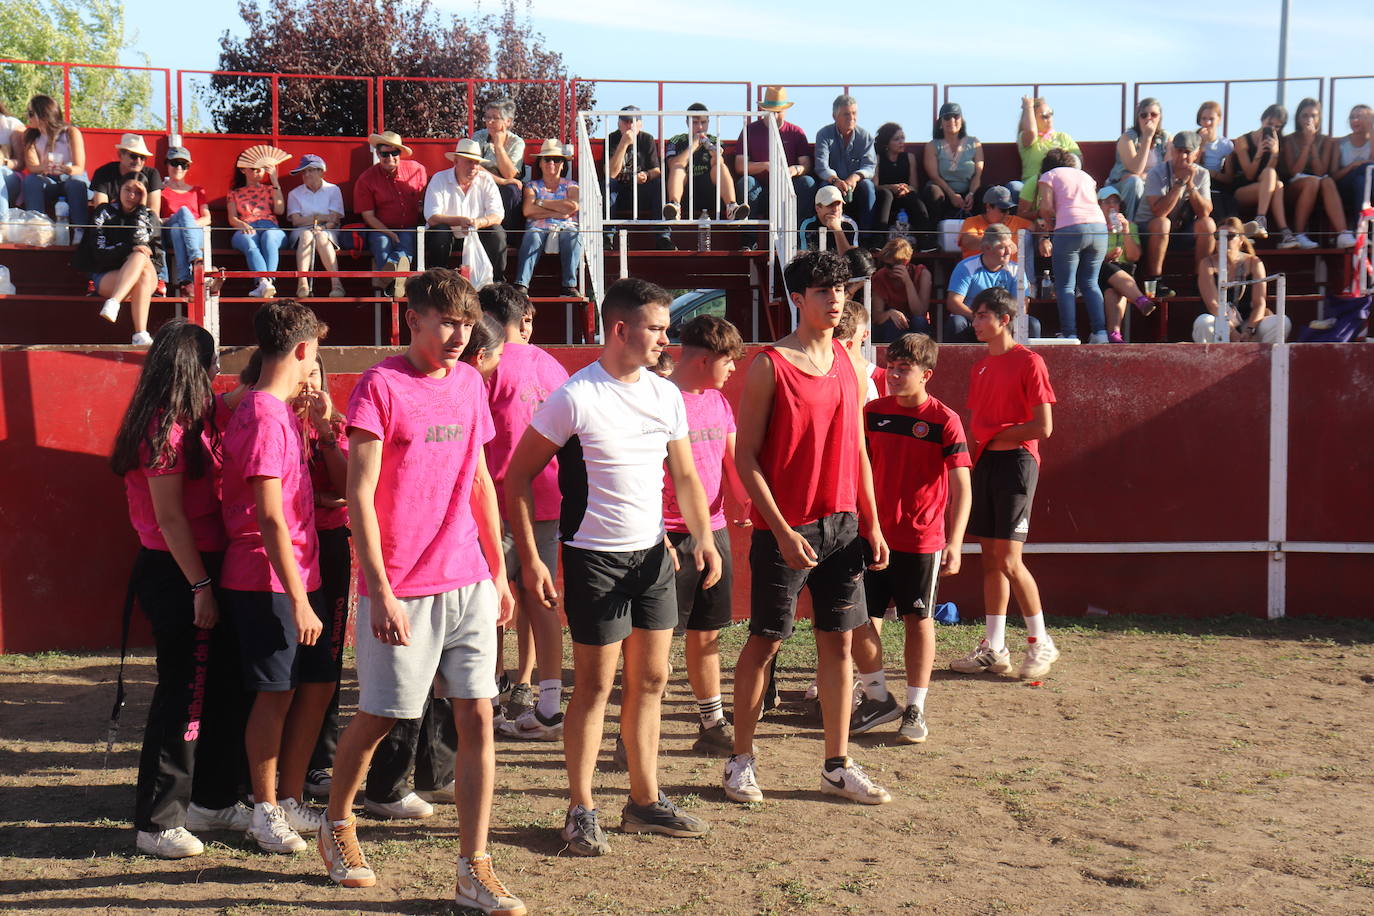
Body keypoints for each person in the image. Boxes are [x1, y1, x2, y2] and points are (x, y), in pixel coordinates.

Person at [319, 269, 524, 916]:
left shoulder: (470, 382)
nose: (459, 334)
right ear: (411, 320)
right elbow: (357, 493)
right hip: (401, 584)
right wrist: (377, 590)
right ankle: (337, 824)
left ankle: (473, 868)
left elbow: (482, 482)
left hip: (467, 577)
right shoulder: (380, 386)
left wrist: (497, 568)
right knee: (382, 715)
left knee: (478, 715)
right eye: (446, 320)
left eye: (467, 323)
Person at [504, 277, 721, 856]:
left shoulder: (665, 394)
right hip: (594, 559)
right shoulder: (575, 396)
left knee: (651, 681)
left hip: (653, 558)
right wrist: (532, 557)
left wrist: (703, 537)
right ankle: (581, 809)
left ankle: (644, 803)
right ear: (621, 329)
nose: (666, 339)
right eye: (656, 328)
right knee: (595, 687)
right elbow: (517, 478)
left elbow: (686, 476)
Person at [722, 249, 891, 808]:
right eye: (824, 290)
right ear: (798, 298)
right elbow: (745, 457)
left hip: (843, 527)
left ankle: (836, 765)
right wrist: (781, 528)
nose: (837, 299)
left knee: (839, 644)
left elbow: (860, 451)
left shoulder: (850, 359)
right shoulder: (770, 364)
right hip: (785, 530)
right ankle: (740, 760)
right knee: (766, 642)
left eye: (841, 289)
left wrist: (871, 521)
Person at [111, 319, 250, 858]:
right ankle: (158, 818)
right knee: (185, 693)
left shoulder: (200, 414)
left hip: (211, 564)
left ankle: (212, 800)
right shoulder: (162, 428)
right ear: (197, 368)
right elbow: (170, 520)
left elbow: (243, 393)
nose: (220, 373)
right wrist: (201, 586)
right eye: (214, 364)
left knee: (222, 688)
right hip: (180, 571)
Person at [220, 299, 335, 854]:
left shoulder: (272, 408)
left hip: (285, 575)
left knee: (288, 693)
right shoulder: (266, 413)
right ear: (303, 349)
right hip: (266, 578)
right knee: (273, 697)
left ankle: (281, 802)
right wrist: (299, 599)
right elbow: (269, 516)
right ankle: (265, 809)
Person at [848, 332, 971, 743]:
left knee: (918, 620)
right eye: (891, 366)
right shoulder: (872, 413)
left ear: (927, 375)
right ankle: (878, 697)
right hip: (871, 535)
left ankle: (915, 708)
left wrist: (954, 542)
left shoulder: (944, 420)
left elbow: (961, 486)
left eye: (905, 369)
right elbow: (855, 470)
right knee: (862, 618)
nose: (894, 375)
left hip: (921, 539)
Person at [949, 287, 1059, 680]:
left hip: (1016, 463)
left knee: (1011, 560)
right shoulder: (979, 367)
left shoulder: (1030, 362)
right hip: (987, 462)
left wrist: (996, 436)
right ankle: (995, 648)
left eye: (982, 316)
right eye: (975, 316)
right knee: (991, 560)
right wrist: (984, 442)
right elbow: (977, 426)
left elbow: (1042, 427)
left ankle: (1040, 641)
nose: (975, 322)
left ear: (1004, 319)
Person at [479, 284, 570, 741]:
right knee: (541, 598)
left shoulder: (486, 363)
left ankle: (492, 700)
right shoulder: (551, 366)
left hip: (496, 500)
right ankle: (547, 702)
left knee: (491, 603)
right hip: (549, 498)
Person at [663, 315, 751, 755]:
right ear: (704, 358)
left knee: (707, 632)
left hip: (713, 533)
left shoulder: (718, 403)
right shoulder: (660, 399)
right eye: (729, 360)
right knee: (656, 641)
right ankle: (632, 734)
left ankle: (711, 722)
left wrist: (749, 502)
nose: (733, 368)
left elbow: (733, 463)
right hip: (667, 538)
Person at [298, 354, 352, 805]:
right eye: (303, 373)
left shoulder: (336, 424)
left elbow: (350, 488)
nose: (308, 384)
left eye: (316, 374)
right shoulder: (268, 417)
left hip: (330, 545)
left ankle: (320, 758)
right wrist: (317, 496)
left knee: (327, 657)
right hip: (287, 552)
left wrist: (327, 435)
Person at [75, 174, 163, 346]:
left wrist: (142, 208)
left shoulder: (149, 216)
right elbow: (99, 252)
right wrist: (127, 248)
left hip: (148, 276)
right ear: (119, 190)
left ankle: (114, 302)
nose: (131, 196)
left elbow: (141, 241)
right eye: (127, 190)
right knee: (139, 264)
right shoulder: (104, 212)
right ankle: (140, 334)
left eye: (138, 193)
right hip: (109, 275)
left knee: (140, 256)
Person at [1037, 147, 1108, 342]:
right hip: (1099, 228)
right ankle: (1100, 333)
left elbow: (1045, 207)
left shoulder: (1048, 175)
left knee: (1065, 285)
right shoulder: (1085, 176)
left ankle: (1069, 334)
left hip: (1070, 228)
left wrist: (1050, 224)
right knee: (1091, 283)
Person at [735, 86, 816, 250]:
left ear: (785, 110)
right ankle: (749, 242)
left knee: (807, 182)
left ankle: (801, 240)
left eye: (779, 111)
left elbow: (806, 165)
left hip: (788, 190)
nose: (775, 115)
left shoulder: (796, 132)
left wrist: (794, 170)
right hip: (761, 192)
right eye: (771, 111)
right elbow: (739, 166)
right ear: (763, 110)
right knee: (746, 183)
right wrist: (766, 166)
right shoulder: (750, 131)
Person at [1194, 217, 1291, 344]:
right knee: (1203, 322)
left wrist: (1249, 331)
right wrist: (1233, 333)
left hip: (1249, 323)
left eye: (1230, 236)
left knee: (1282, 322)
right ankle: (1210, 362)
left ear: (1241, 239)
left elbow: (1259, 304)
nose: (1222, 240)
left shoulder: (1254, 262)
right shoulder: (1207, 264)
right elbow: (1213, 305)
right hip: (1219, 323)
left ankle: (1259, 360)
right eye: (1218, 236)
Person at [1138, 131, 1216, 287]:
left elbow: (1205, 212)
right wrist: (1180, 183)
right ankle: (1155, 279)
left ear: (1197, 154)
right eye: (1179, 151)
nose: (1182, 156)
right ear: (1172, 151)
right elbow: (1159, 212)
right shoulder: (1156, 173)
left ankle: (1200, 281)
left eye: (1187, 152)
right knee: (1162, 223)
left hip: (1181, 230)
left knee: (1208, 224)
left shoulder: (1202, 174)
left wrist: (1191, 185)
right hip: (1148, 230)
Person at [424, 138, 508, 283]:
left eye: (476, 162)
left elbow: (498, 214)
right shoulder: (439, 178)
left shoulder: (486, 179)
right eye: (469, 161)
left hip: (477, 235)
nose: (474, 166)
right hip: (447, 237)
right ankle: (436, 281)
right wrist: (460, 220)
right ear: (455, 161)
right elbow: (431, 217)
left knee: (496, 231)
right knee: (440, 231)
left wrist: (479, 222)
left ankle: (498, 282)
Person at [354, 131, 426, 297]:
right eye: (385, 153)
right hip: (380, 228)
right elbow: (368, 216)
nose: (390, 157)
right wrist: (390, 233)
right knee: (381, 243)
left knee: (407, 239)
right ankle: (396, 283)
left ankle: (387, 281)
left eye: (394, 153)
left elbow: (425, 200)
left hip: (410, 226)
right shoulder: (366, 179)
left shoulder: (417, 170)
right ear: (378, 154)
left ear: (400, 153)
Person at [1280, 98, 1357, 249]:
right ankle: (1299, 234)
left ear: (1318, 119)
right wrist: (1307, 145)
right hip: (1293, 187)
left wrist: (1313, 145)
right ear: (1298, 118)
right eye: (1305, 115)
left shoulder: (1327, 141)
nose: (1309, 119)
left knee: (1327, 181)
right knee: (1312, 182)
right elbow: (1294, 171)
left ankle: (1343, 233)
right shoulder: (1289, 140)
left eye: (1313, 116)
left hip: (1318, 184)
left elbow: (1321, 171)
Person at [945, 224, 1042, 343]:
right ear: (986, 248)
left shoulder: (1016, 270)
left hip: (1003, 322)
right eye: (1002, 247)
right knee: (956, 323)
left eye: (1010, 246)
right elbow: (953, 302)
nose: (1008, 252)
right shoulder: (966, 267)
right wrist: (980, 318)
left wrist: (999, 321)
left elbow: (1022, 305)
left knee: (1032, 324)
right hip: (973, 320)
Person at [513, 139, 581, 297]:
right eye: (547, 159)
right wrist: (559, 212)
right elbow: (528, 210)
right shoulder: (531, 185)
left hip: (566, 227)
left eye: (557, 160)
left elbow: (572, 206)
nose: (552, 163)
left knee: (572, 235)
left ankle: (569, 286)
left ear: (563, 164)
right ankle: (521, 285)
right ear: (540, 163)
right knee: (532, 236)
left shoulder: (572, 185)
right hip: (538, 227)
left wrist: (541, 202)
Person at [1097, 187, 1162, 343]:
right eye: (1107, 202)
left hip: (1123, 271)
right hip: (1099, 270)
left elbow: (1134, 256)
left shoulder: (1130, 226)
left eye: (1115, 202)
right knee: (1106, 267)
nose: (1112, 206)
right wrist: (1106, 257)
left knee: (1113, 291)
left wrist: (1125, 231)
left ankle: (1114, 334)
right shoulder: (1093, 226)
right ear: (1099, 205)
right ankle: (1140, 299)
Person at [663, 102, 745, 221]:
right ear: (687, 123)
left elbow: (719, 163)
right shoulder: (676, 140)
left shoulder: (714, 140)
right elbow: (671, 165)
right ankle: (674, 207)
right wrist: (693, 145)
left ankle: (732, 207)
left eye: (703, 122)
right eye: (695, 123)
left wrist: (714, 153)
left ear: (708, 123)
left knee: (720, 166)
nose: (700, 127)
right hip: (684, 191)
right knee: (677, 167)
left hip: (710, 191)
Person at [604, 106, 672, 249]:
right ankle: (607, 236)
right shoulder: (612, 138)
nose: (630, 125)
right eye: (626, 121)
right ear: (619, 123)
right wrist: (623, 143)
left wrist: (646, 175)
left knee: (659, 184)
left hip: (641, 191)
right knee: (607, 184)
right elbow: (610, 173)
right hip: (619, 190)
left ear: (640, 124)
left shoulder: (646, 139)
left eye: (634, 121)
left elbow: (656, 170)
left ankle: (663, 237)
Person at [920, 103, 984, 247]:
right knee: (933, 192)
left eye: (956, 116)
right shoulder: (932, 145)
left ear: (962, 119)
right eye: (947, 117)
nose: (952, 121)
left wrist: (972, 194)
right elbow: (934, 176)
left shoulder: (974, 143)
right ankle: (932, 239)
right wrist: (951, 194)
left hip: (968, 192)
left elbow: (978, 174)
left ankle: (985, 236)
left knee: (987, 193)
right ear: (941, 123)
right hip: (944, 191)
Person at [19, 94, 88, 229]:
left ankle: (81, 230)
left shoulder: (70, 132)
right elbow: (32, 167)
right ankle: (37, 225)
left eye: (31, 113)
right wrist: (44, 167)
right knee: (31, 180)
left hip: (71, 177)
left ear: (44, 115)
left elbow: (79, 167)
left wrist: (65, 169)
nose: (28, 117)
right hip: (48, 179)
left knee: (75, 182)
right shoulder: (31, 136)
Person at [813, 94, 878, 234]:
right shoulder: (824, 134)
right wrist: (835, 180)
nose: (851, 118)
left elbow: (870, 166)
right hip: (831, 182)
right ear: (834, 116)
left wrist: (855, 177)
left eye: (854, 113)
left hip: (855, 185)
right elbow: (821, 165)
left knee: (868, 187)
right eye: (846, 114)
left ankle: (866, 237)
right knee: (825, 190)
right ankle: (823, 236)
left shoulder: (865, 136)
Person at [227, 149, 287, 298]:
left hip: (270, 226)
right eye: (254, 169)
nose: (258, 172)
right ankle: (264, 282)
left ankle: (267, 282)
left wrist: (274, 180)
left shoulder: (269, 189)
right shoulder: (234, 193)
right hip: (246, 226)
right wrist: (242, 225)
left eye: (261, 169)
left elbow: (279, 210)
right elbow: (232, 218)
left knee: (269, 237)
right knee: (249, 241)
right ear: (243, 170)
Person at [286, 154, 347, 299]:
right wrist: (319, 217)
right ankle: (302, 283)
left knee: (321, 236)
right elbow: (296, 221)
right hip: (301, 231)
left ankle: (336, 285)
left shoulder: (333, 190)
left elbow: (334, 219)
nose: (306, 174)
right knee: (306, 234)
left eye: (311, 170)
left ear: (321, 171)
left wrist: (323, 226)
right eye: (304, 172)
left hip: (328, 229)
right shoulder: (294, 193)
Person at [1107, 98, 1170, 224]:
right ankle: (1131, 227)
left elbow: (1167, 171)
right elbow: (1135, 169)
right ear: (1138, 118)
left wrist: (1146, 176)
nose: (1148, 118)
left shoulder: (1166, 139)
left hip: (1152, 183)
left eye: (1153, 115)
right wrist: (1147, 137)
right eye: (1143, 115)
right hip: (1122, 186)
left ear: (1160, 117)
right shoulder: (1127, 138)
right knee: (1134, 182)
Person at [159, 146, 211, 296]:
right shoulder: (160, 191)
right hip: (168, 228)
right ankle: (196, 258)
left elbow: (207, 218)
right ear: (167, 164)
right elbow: (155, 219)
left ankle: (185, 282)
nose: (179, 168)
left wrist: (187, 225)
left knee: (178, 230)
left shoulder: (198, 190)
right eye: (175, 163)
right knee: (183, 212)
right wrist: (182, 218)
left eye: (184, 164)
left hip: (193, 233)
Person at [1016, 96, 1080, 215]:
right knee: (1015, 187)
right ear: (1033, 119)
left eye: (1051, 113)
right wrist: (1028, 107)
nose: (1049, 118)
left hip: (1061, 184)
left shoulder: (1063, 137)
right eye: (1044, 116)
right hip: (1032, 186)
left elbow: (1078, 162)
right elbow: (1030, 131)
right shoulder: (1027, 139)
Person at [471, 97, 527, 228]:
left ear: (508, 121)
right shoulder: (478, 137)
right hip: (479, 179)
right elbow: (473, 166)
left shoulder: (517, 142)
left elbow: (509, 175)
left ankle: (507, 237)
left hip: (504, 184)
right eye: (487, 117)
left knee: (512, 190)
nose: (489, 122)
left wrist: (498, 146)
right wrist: (501, 181)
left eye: (495, 118)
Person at [90, 133, 164, 217]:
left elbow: (153, 214)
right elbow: (101, 211)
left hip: (141, 224)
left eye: (142, 157)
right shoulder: (104, 173)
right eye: (134, 156)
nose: (138, 161)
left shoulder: (152, 174)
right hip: (112, 224)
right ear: (120, 155)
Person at [872, 122, 923, 237]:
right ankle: (879, 238)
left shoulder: (909, 158)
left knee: (912, 197)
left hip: (904, 195)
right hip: (885, 197)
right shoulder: (878, 159)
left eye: (902, 138)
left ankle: (925, 238)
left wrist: (905, 189)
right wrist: (892, 187)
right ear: (887, 143)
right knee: (886, 194)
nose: (901, 142)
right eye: (896, 139)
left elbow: (915, 186)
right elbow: (875, 186)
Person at [958, 186, 1035, 258]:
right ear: (988, 206)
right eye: (1003, 210)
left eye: (1009, 209)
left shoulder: (1016, 221)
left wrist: (1043, 239)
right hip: (977, 270)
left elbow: (1037, 228)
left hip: (1009, 270)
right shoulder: (972, 222)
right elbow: (968, 241)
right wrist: (1001, 241)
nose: (1007, 213)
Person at [1195, 101, 1238, 223]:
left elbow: (1229, 178)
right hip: (1196, 179)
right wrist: (1201, 144)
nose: (1207, 123)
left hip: (1216, 181)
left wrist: (1211, 173)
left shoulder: (1225, 145)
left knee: (1224, 198)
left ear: (1219, 120)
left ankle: (1235, 229)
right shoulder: (1193, 139)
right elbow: (1193, 166)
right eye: (1204, 119)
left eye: (1211, 119)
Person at [1332, 104, 1374, 227]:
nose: (1354, 120)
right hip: (1345, 187)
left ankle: (1360, 228)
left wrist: (1371, 129)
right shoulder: (1340, 143)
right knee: (1366, 169)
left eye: (1360, 117)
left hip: (1367, 187)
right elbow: (1333, 176)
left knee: (1360, 180)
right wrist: (1352, 166)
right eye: (1352, 117)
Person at [799, 185, 858, 253]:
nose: (835, 209)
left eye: (838, 204)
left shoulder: (850, 225)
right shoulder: (807, 225)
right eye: (830, 205)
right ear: (818, 208)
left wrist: (837, 230)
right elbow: (805, 258)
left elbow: (852, 259)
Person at [0, 101, 22, 219]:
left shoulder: (11, 125)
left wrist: (3, 162)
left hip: (9, 178)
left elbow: (22, 163)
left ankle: (2, 223)